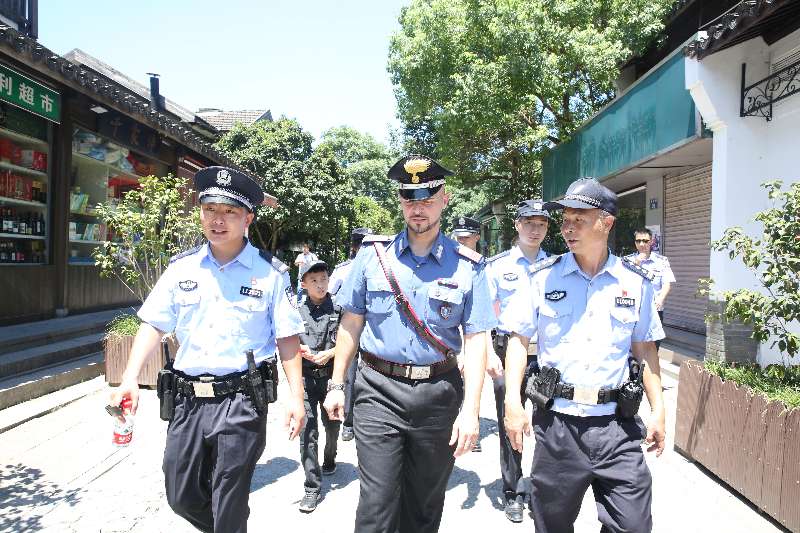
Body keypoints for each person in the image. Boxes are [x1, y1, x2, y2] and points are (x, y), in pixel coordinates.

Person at [109, 166, 306, 533]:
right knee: (180, 494)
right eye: (210, 210)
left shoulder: (270, 273)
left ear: (248, 217)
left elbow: (287, 338)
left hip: (241, 400)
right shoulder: (181, 268)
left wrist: (297, 396)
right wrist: (130, 378)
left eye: (230, 212)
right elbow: (153, 323)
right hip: (187, 399)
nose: (218, 220)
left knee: (228, 498)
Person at [323, 154, 496, 533]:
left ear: (444, 200)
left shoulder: (468, 265)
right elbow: (351, 322)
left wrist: (471, 412)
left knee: (423, 504)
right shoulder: (372, 256)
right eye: (410, 199)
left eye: (427, 199)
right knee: (377, 503)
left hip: (438, 393)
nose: (418, 209)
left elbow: (478, 339)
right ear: (400, 202)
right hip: (378, 391)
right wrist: (337, 384)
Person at [502, 177, 667, 533]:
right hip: (558, 426)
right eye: (565, 220)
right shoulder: (542, 278)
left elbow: (645, 349)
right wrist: (512, 405)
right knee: (552, 525)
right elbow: (518, 341)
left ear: (605, 223)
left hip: (616, 426)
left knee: (633, 525)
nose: (567, 227)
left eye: (579, 218)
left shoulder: (635, 282)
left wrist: (659, 410)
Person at [484, 199, 550, 523]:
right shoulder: (497, 266)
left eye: (541, 224)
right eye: (529, 223)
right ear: (517, 225)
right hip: (506, 353)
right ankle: (512, 491)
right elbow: (481, 317)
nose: (534, 229)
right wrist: (486, 354)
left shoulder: (558, 266)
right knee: (510, 421)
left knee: (548, 426)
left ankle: (541, 487)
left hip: (547, 358)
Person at [296, 259, 342, 513]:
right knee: (307, 432)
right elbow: (283, 341)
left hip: (330, 378)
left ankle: (330, 458)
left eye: (323, 279)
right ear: (303, 284)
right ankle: (312, 488)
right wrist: (298, 349)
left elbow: (350, 341)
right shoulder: (295, 312)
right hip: (304, 378)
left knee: (332, 426)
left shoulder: (339, 308)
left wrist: (332, 352)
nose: (320, 284)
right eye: (314, 280)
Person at [329, 227, 373, 442]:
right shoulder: (343, 270)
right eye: (362, 244)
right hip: (351, 327)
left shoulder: (380, 266)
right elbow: (329, 295)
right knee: (350, 375)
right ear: (355, 247)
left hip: (373, 329)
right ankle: (348, 422)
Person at [626, 228, 675, 349]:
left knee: (653, 346)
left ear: (651, 241)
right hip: (633, 310)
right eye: (638, 241)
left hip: (654, 310)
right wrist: (636, 263)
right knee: (633, 347)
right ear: (635, 242)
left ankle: (649, 367)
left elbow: (667, 283)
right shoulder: (628, 260)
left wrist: (660, 299)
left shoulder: (661, 261)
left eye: (645, 241)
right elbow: (624, 282)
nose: (641, 244)